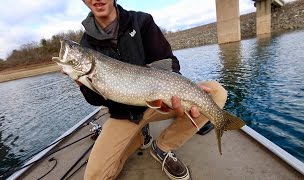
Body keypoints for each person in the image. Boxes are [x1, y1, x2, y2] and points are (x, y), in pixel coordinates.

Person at [78, 0, 227, 179]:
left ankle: (163, 147)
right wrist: (83, 83)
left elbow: (168, 63)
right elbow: (95, 100)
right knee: (94, 177)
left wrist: (182, 88)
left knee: (216, 92)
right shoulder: (85, 45)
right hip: (124, 115)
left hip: (158, 104)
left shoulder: (142, 21)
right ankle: (141, 135)